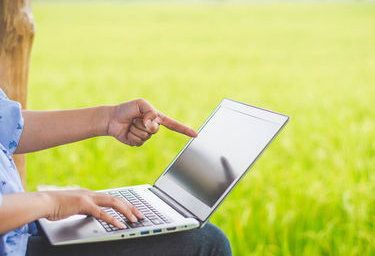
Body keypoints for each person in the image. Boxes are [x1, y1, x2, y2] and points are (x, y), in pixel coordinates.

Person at [0, 88, 232, 256]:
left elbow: (6, 125)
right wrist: (51, 202)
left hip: (18, 226)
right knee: (206, 242)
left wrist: (109, 119)